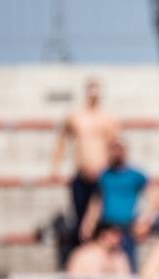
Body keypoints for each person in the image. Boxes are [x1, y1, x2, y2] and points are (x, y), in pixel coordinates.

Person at [50, 78, 121, 267]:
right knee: (80, 221)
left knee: (103, 221)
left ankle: (104, 260)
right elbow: (62, 141)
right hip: (81, 175)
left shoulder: (108, 119)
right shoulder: (75, 117)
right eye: (91, 91)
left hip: (102, 175)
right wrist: (55, 166)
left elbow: (116, 146)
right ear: (86, 92)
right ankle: (80, 261)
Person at [79, 139, 159, 272]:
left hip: (127, 227)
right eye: (113, 151)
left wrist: (146, 220)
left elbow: (156, 197)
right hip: (106, 227)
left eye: (119, 150)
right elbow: (96, 201)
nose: (116, 154)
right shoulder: (104, 175)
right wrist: (89, 222)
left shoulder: (135, 175)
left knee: (127, 263)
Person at [65, 222, 131, 277]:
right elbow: (73, 278)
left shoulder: (120, 256)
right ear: (103, 235)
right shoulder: (83, 254)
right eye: (115, 234)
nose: (119, 238)